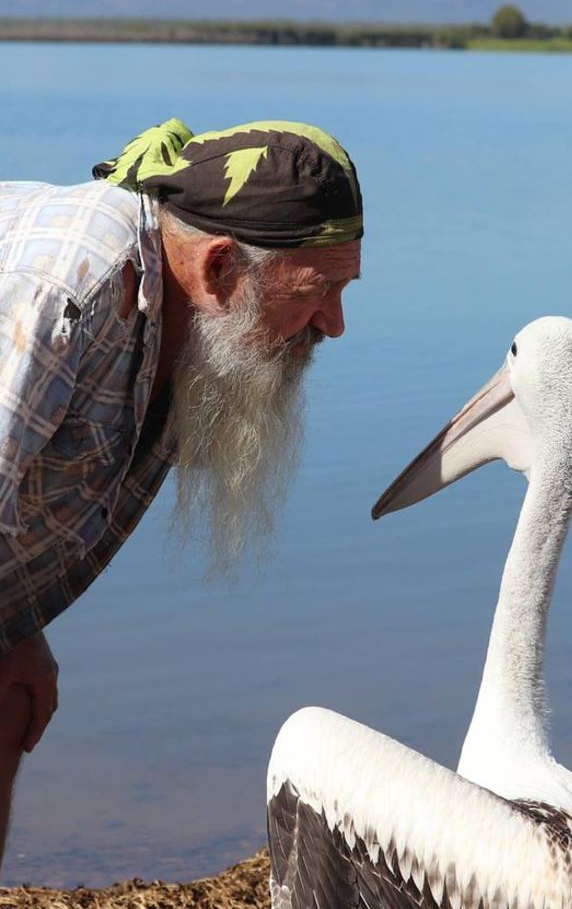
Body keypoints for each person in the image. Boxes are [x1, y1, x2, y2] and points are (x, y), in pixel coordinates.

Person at [0, 119, 363, 862]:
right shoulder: (67, 298)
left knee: (10, 700)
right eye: (317, 290)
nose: (334, 323)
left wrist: (15, 624)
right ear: (221, 268)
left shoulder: (192, 320)